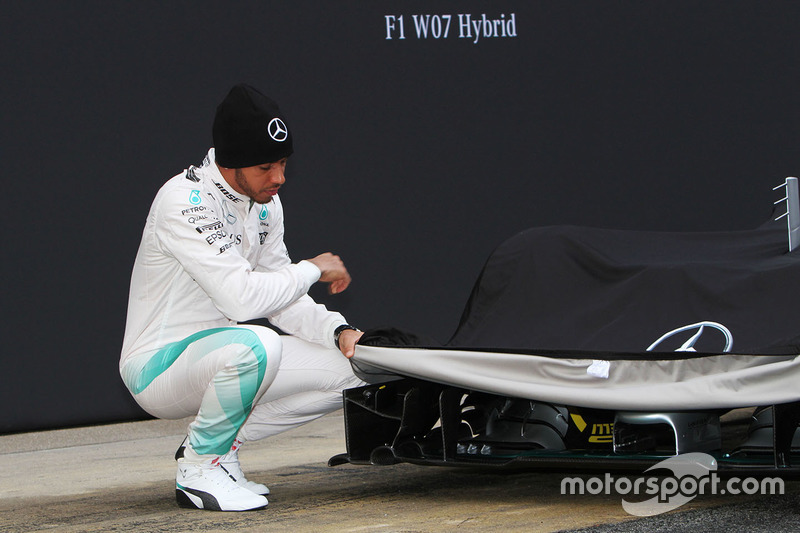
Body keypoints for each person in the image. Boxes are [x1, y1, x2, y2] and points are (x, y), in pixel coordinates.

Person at [119, 84, 365, 512]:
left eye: (284, 163)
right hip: (156, 368)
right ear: (230, 164)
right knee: (257, 343)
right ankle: (200, 468)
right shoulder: (183, 200)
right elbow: (243, 301)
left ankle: (218, 444)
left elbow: (280, 295)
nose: (279, 178)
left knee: (356, 370)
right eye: (266, 166)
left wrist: (336, 329)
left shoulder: (265, 204)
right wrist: (311, 268)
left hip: (227, 355)